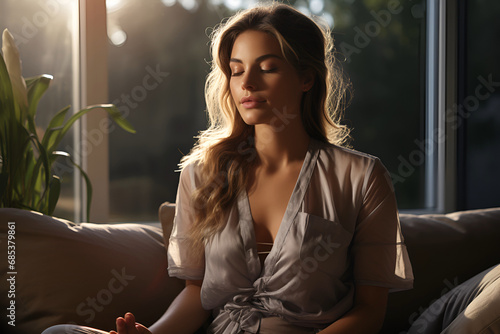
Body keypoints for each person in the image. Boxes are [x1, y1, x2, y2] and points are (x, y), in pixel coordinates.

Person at [42, 3, 414, 334]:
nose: (247, 83)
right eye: (236, 71)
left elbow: (369, 311)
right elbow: (195, 296)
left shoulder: (362, 178)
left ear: (306, 78)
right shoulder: (201, 174)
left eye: (267, 68)